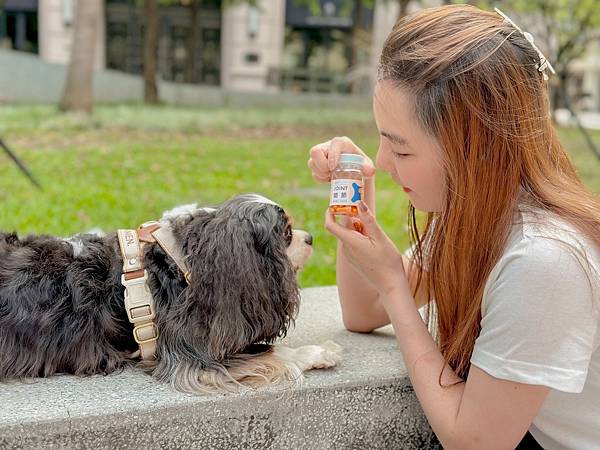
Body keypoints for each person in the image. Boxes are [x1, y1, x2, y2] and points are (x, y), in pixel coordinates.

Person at [307, 5, 600, 450]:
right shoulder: (478, 218)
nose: (384, 163)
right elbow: (362, 313)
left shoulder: (545, 259)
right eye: (381, 140)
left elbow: (474, 442)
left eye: (400, 150)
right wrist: (356, 183)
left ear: (475, 148)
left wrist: (394, 285)